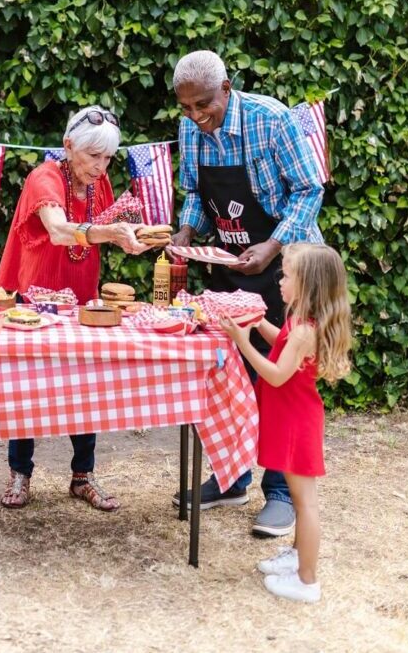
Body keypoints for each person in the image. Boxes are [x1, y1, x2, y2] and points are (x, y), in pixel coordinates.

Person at [170, 50, 324, 537]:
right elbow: (195, 193)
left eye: (204, 105)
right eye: (186, 108)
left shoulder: (272, 120)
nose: (196, 117)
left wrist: (274, 244)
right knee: (225, 370)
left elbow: (309, 188)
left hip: (284, 266)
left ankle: (279, 494)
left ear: (227, 88)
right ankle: (232, 476)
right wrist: (186, 234)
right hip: (230, 266)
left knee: (278, 384)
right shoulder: (191, 129)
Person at [0, 105, 148, 510]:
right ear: (67, 146)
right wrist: (110, 232)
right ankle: (19, 473)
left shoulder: (99, 184)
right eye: (92, 156)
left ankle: (83, 476)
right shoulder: (43, 178)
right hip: (36, 299)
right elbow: (61, 231)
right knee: (27, 385)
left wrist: (130, 236)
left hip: (82, 299)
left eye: (108, 157)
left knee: (86, 385)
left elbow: (107, 229)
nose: (101, 166)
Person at [219, 243, 352, 602]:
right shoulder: (299, 321)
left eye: (287, 275)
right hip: (291, 418)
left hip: (297, 422)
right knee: (298, 496)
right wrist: (256, 320)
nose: (280, 280)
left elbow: (277, 374)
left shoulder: (306, 330)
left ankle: (307, 581)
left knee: (304, 501)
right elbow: (282, 343)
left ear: (307, 284)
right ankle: (297, 558)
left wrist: (241, 342)